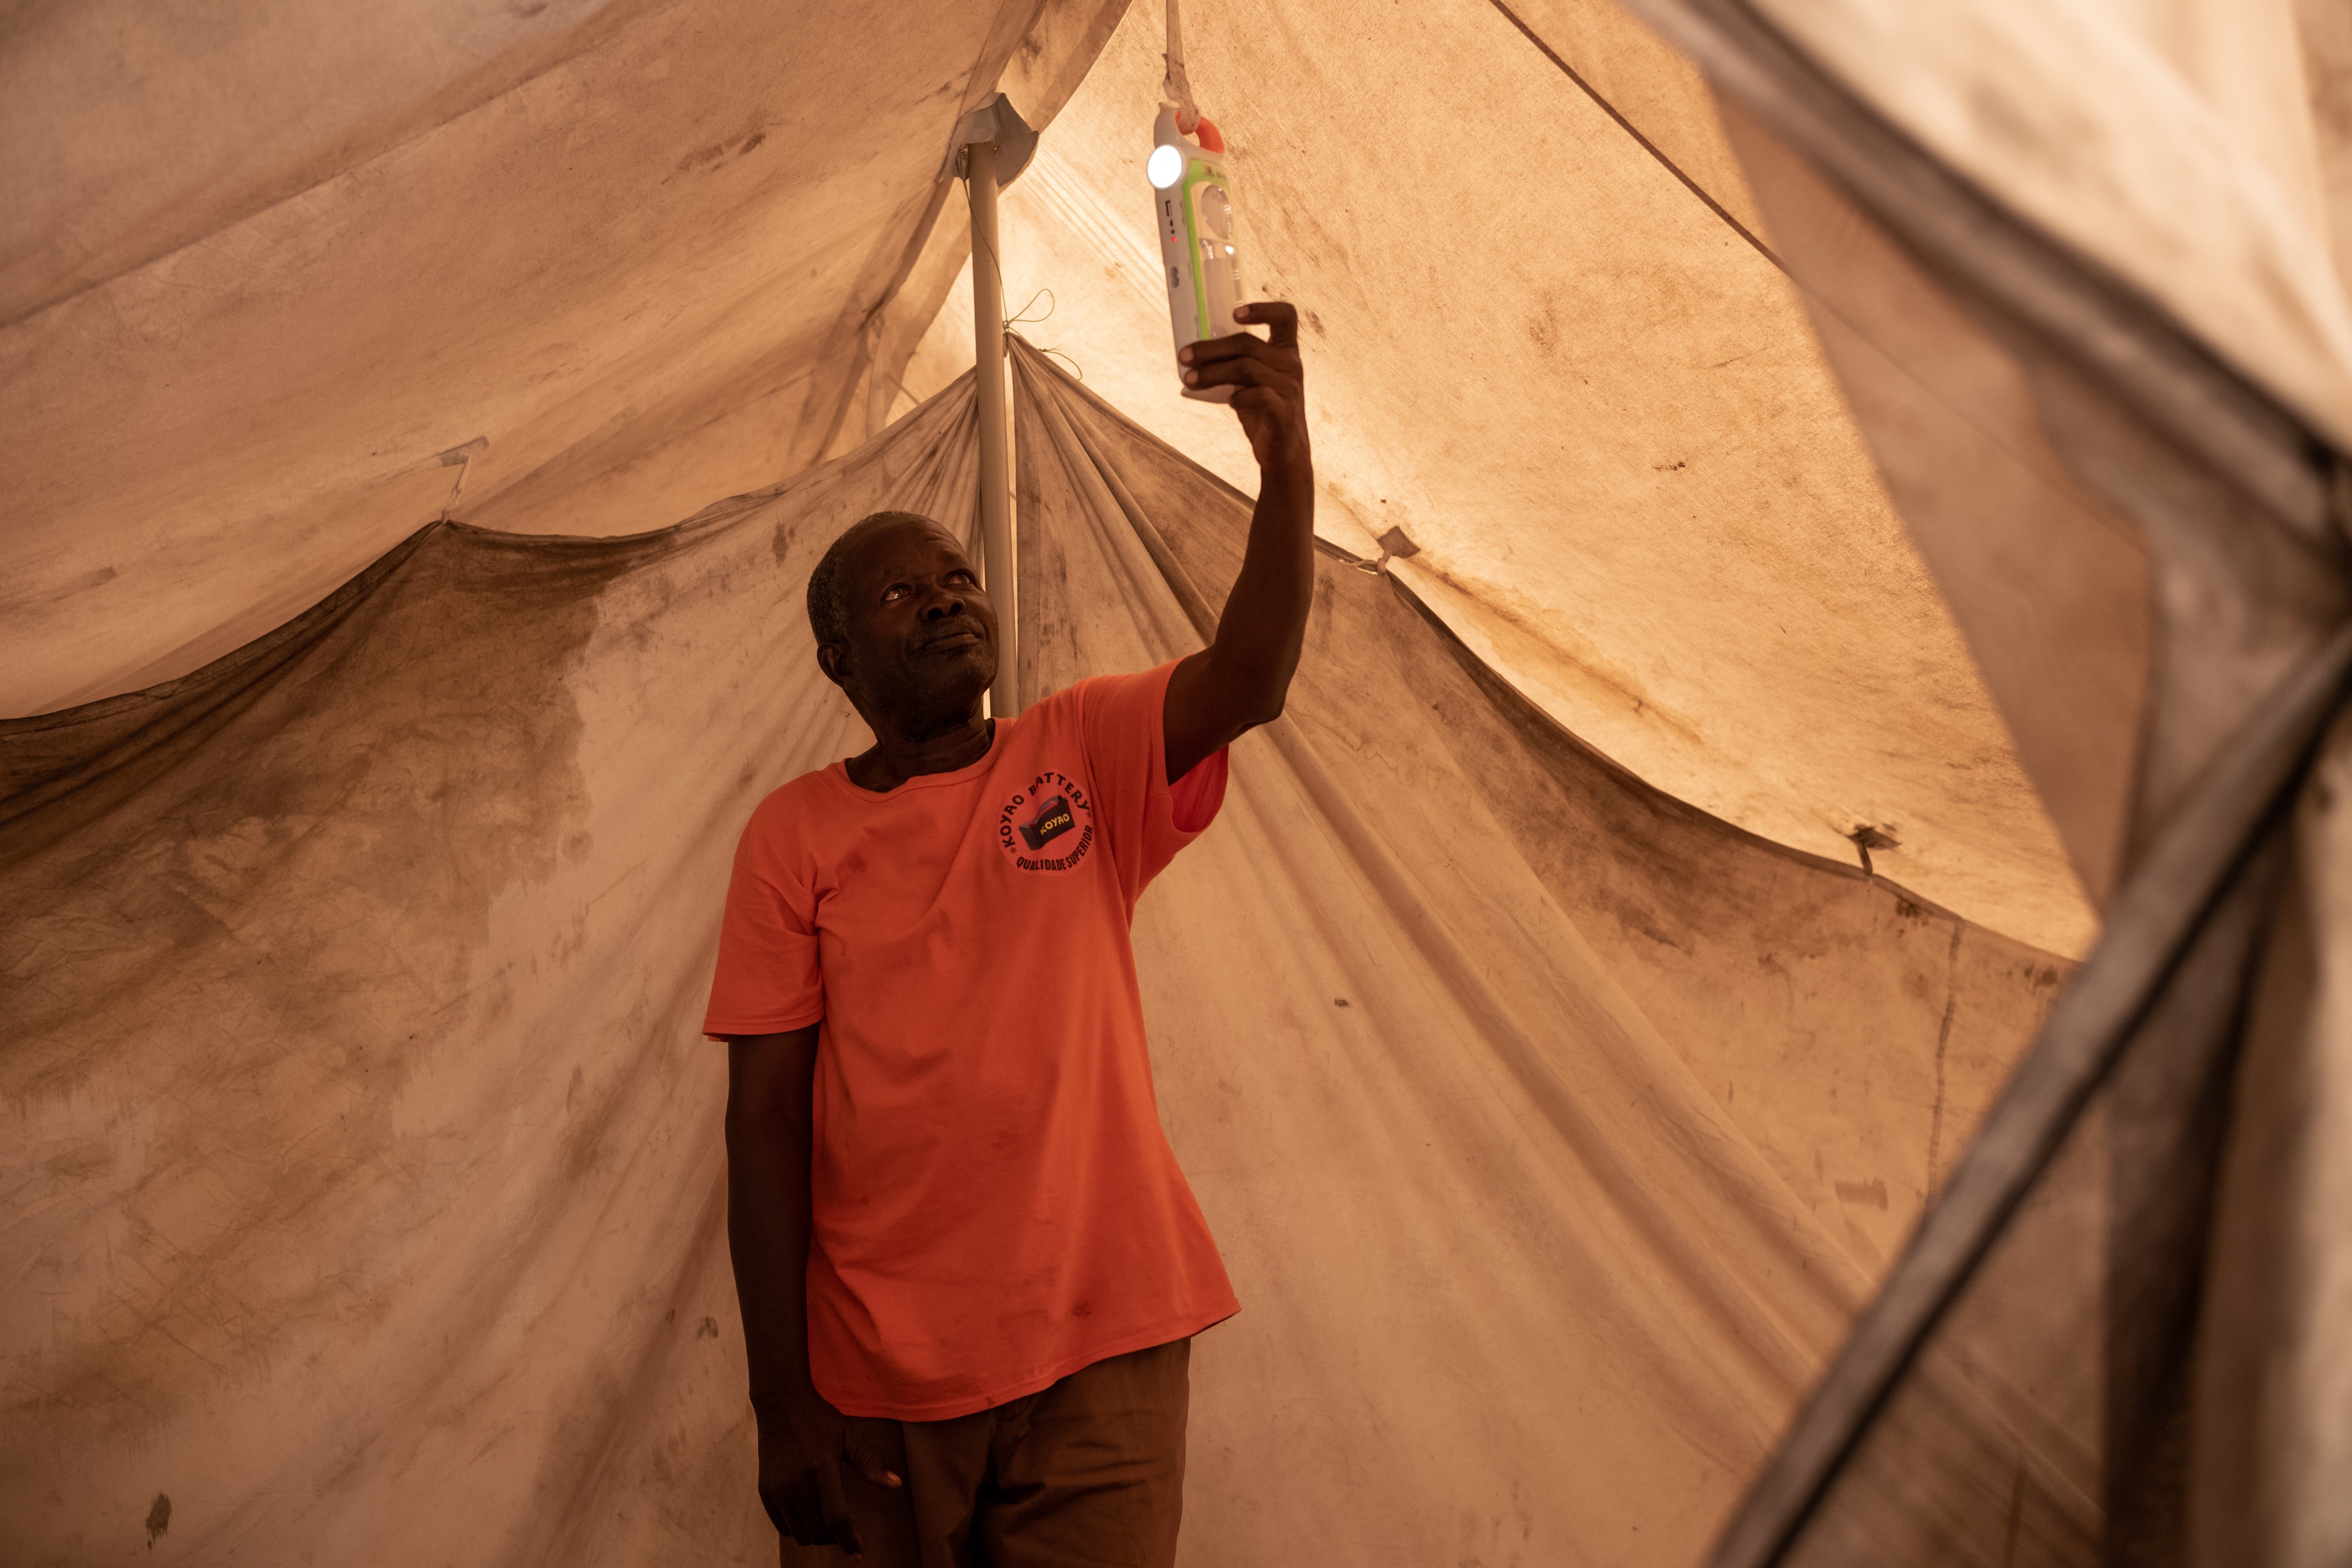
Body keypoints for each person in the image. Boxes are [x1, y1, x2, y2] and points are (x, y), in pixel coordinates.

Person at [704, 301, 1310, 1568]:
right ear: (836, 658)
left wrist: (1286, 452)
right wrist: (781, 1403)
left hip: (1105, 1336)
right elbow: (761, 1122)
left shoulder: (1080, 749)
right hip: (876, 1372)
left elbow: (1248, 679)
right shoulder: (794, 837)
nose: (944, 602)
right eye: (899, 594)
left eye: (959, 579)